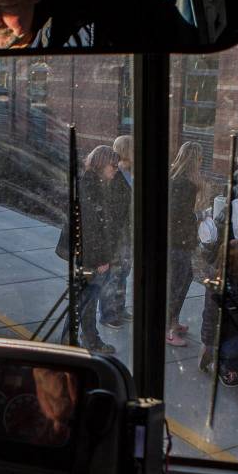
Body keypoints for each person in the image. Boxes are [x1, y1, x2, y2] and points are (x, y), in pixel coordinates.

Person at [76, 145, 122, 354]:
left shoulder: (92, 183)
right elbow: (93, 228)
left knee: (83, 300)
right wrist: (101, 260)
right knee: (87, 301)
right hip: (92, 258)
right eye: (113, 166)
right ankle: (90, 341)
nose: (116, 170)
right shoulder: (91, 187)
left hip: (88, 255)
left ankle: (73, 340)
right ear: (102, 164)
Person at [199, 238, 238, 387]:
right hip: (227, 338)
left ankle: (222, 359)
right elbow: (210, 316)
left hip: (231, 335)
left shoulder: (218, 282)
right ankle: (222, 363)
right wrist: (208, 344)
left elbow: (208, 316)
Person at [167, 141, 204, 347]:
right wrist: (199, 215)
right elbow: (178, 216)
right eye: (199, 159)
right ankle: (168, 328)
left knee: (185, 278)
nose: (201, 163)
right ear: (194, 160)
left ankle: (173, 321)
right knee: (176, 285)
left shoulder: (175, 177)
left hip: (177, 241)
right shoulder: (185, 184)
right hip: (178, 242)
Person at [100, 134, 133, 328]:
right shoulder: (115, 175)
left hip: (128, 233)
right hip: (117, 234)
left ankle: (119, 308)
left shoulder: (131, 173)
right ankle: (108, 314)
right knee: (113, 275)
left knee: (124, 273)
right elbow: (112, 209)